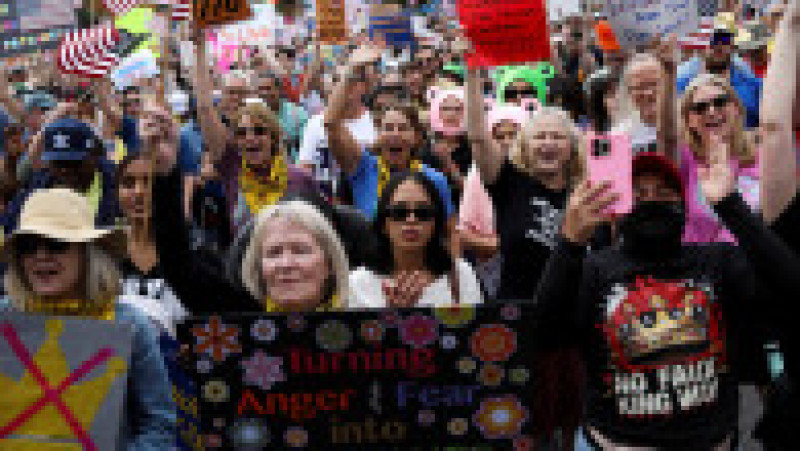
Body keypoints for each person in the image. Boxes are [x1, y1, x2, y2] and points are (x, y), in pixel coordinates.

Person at [535, 149, 786, 449]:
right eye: (638, 194)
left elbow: (788, 284)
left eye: (664, 192)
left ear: (683, 205)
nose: (651, 201)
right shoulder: (594, 267)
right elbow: (544, 332)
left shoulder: (719, 260)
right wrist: (570, 243)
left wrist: (731, 205)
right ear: (621, 207)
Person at [1, 188, 176, 449]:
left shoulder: (130, 325)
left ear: (88, 253)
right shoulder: (3, 318)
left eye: (56, 244)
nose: (40, 255)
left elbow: (159, 424)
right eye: (28, 246)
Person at [153, 144, 352, 313]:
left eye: (300, 250)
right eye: (273, 253)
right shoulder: (240, 313)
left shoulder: (364, 309)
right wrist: (164, 170)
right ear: (259, 267)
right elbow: (178, 265)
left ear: (329, 264)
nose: (286, 264)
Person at [469, 67, 585, 301]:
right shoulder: (509, 183)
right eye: (540, 137)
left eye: (557, 137)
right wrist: (472, 72)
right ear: (524, 147)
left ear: (572, 148)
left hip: (576, 313)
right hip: (519, 312)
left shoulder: (585, 192)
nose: (548, 143)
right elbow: (478, 138)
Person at [324, 43, 454, 219]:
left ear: (417, 137)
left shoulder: (435, 179)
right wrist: (351, 71)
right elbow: (331, 123)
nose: (395, 134)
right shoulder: (363, 168)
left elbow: (450, 233)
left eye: (403, 128)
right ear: (378, 135)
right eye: (388, 128)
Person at [349, 171, 482, 307]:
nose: (411, 220)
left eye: (423, 212)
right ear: (383, 224)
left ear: (435, 223)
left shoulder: (460, 275)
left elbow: (478, 326)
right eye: (399, 212)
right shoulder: (357, 283)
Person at [678, 74, 760, 243]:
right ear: (689, 121)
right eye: (700, 107)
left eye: (720, 102)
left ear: (736, 108)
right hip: (702, 264)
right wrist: (668, 72)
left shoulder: (762, 156)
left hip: (753, 263)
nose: (712, 111)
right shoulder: (685, 159)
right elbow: (665, 136)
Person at [677, 23, 763, 128]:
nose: (718, 45)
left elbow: (767, 125)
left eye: (725, 40)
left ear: (732, 45)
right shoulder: (684, 85)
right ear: (699, 48)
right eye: (712, 40)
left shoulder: (751, 84)